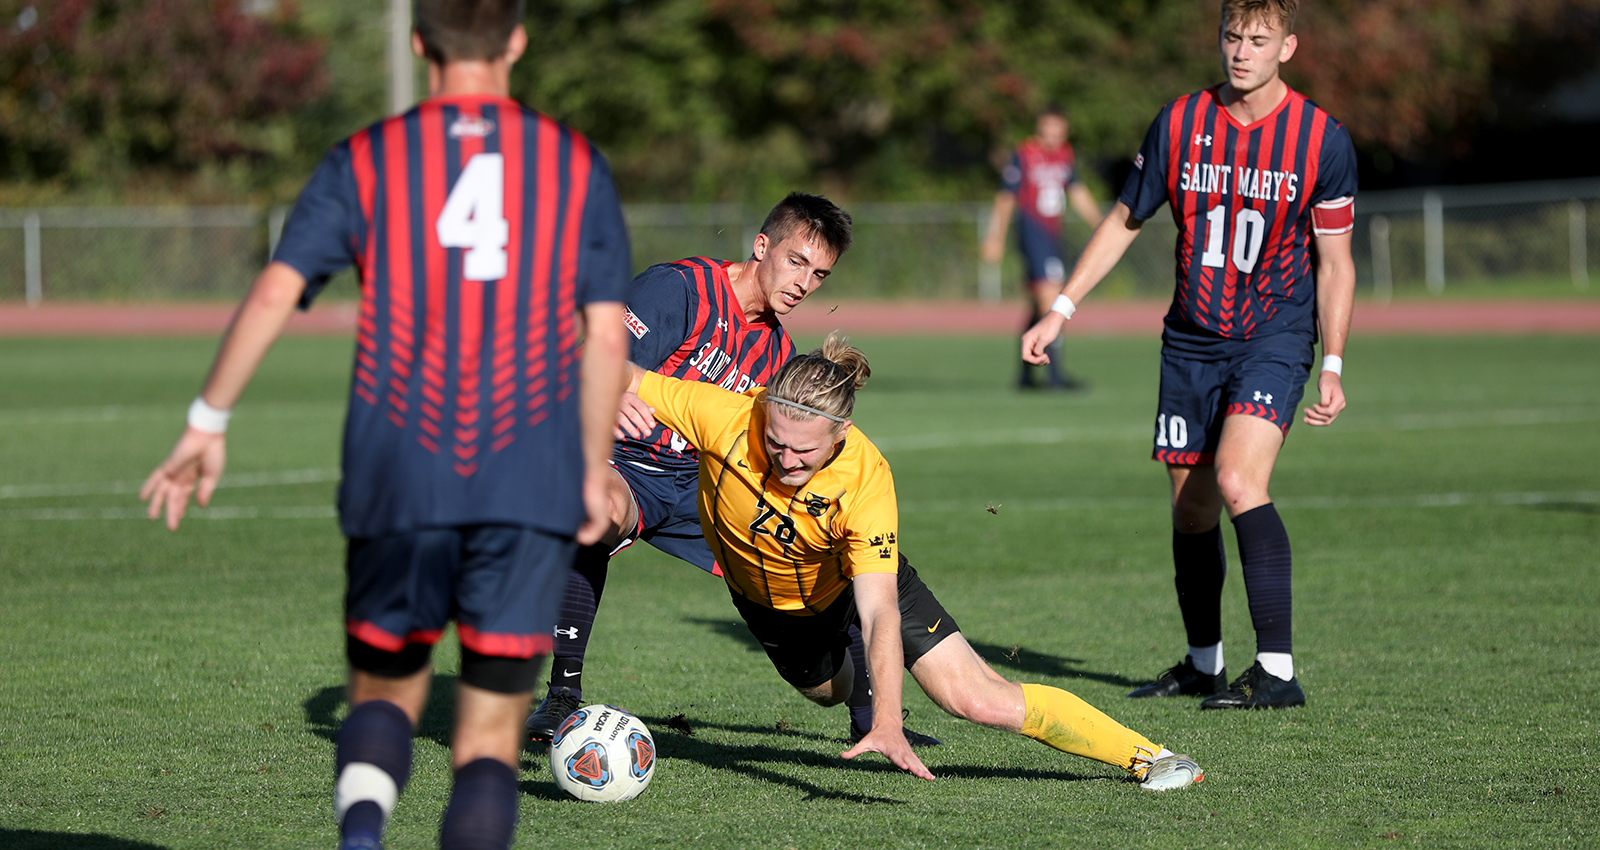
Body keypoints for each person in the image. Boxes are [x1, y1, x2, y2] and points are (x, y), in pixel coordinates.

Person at [140, 3, 632, 848]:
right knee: (484, 739)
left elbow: (273, 292)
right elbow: (602, 329)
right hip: (525, 481)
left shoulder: (366, 158)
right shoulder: (571, 164)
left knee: (384, 694)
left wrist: (205, 420)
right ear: (516, 40)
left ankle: (362, 833)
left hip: (398, 472)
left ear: (418, 42)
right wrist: (591, 467)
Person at [623, 331, 1203, 790]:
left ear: (841, 433)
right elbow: (606, 366)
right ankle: (848, 683)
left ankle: (1149, 756)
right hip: (773, 606)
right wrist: (616, 398)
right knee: (826, 691)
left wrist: (890, 721)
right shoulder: (721, 414)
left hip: (863, 581)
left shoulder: (867, 480)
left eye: (804, 449)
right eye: (774, 441)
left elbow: (876, 611)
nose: (785, 459)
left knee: (974, 698)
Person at [1022, 0, 1357, 710]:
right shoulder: (1179, 123)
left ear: (1288, 47)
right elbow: (1123, 220)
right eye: (1232, 36)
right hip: (1190, 339)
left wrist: (1332, 362)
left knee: (1238, 480)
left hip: (1274, 336)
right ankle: (1204, 663)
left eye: (1259, 40)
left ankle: (1278, 672)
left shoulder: (1321, 139)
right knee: (1191, 511)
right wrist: (1061, 309)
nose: (1242, 51)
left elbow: (1336, 263)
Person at [525, 194, 940, 749]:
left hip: (704, 489)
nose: (804, 283)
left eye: (820, 274)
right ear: (762, 246)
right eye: (796, 262)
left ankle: (869, 716)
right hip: (628, 468)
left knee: (824, 624)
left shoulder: (778, 353)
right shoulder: (681, 290)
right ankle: (562, 697)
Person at [981, 105, 1105, 390]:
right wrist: (995, 237)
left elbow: (1077, 191)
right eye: (1046, 129)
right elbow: (1005, 198)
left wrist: (1103, 225)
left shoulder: (1065, 155)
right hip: (1032, 231)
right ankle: (1055, 374)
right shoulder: (1024, 155)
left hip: (1053, 234)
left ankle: (1025, 374)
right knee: (1053, 297)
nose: (1051, 135)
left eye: (1057, 130)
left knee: (1040, 303)